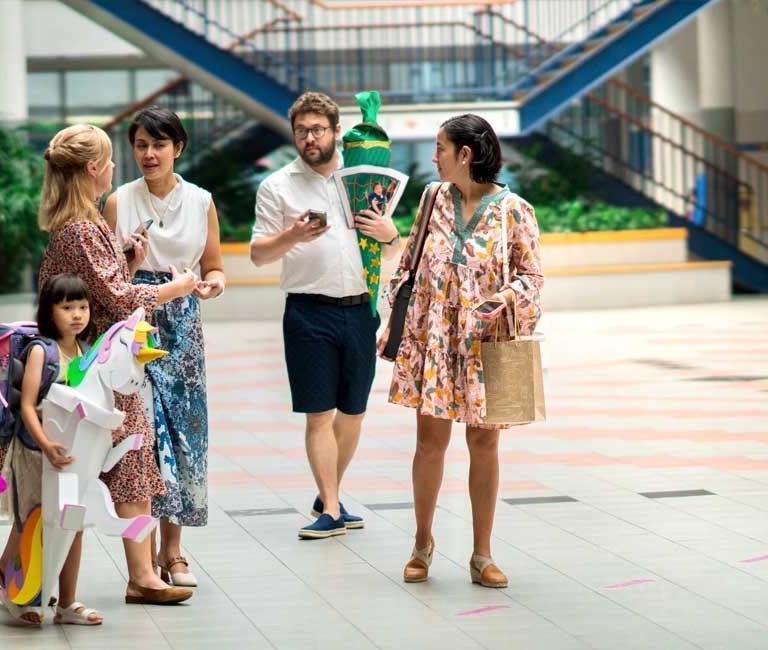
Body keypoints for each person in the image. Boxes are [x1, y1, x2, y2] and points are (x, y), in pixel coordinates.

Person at [37, 123, 196, 604]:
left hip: (89, 366)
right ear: (92, 170)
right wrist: (176, 287)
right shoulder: (84, 228)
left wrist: (124, 259)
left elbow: (95, 292)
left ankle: (140, 573)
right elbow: (120, 299)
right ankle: (141, 576)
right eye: (108, 161)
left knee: (119, 468)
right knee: (128, 464)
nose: (114, 168)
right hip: (97, 372)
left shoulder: (76, 225)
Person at [386, 114, 543, 586]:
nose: (433, 158)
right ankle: (422, 543)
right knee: (429, 444)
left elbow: (533, 277)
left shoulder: (515, 210)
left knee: (485, 443)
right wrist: (395, 319)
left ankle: (482, 554)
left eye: (439, 149)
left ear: (465, 155)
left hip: (489, 342)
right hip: (434, 337)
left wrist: (507, 297)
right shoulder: (432, 200)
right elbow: (408, 263)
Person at [250, 92, 400, 539]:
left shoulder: (363, 180)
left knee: (352, 412)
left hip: (360, 310)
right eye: (301, 131)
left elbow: (392, 251)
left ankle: (328, 491)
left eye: (318, 129)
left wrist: (392, 234)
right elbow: (258, 254)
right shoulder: (277, 186)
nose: (309, 138)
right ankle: (331, 509)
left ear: (337, 131)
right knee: (319, 413)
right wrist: (291, 234)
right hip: (307, 311)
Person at [104, 106, 225, 587]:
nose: (149, 154)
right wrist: (132, 263)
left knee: (184, 435)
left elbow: (215, 266)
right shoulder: (119, 202)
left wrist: (212, 285)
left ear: (178, 147)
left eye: (158, 144)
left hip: (184, 325)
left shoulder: (201, 201)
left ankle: (174, 553)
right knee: (141, 439)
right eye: (140, 145)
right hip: (135, 325)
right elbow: (109, 280)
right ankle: (143, 557)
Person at [0, 274, 103, 626]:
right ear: (48, 311)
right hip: (35, 452)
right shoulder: (42, 350)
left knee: (74, 525)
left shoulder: (87, 352)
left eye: (82, 307)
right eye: (67, 306)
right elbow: (27, 407)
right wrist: (45, 445)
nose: (77, 315)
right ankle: (19, 593)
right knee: (34, 523)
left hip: (72, 458)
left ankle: (67, 603)